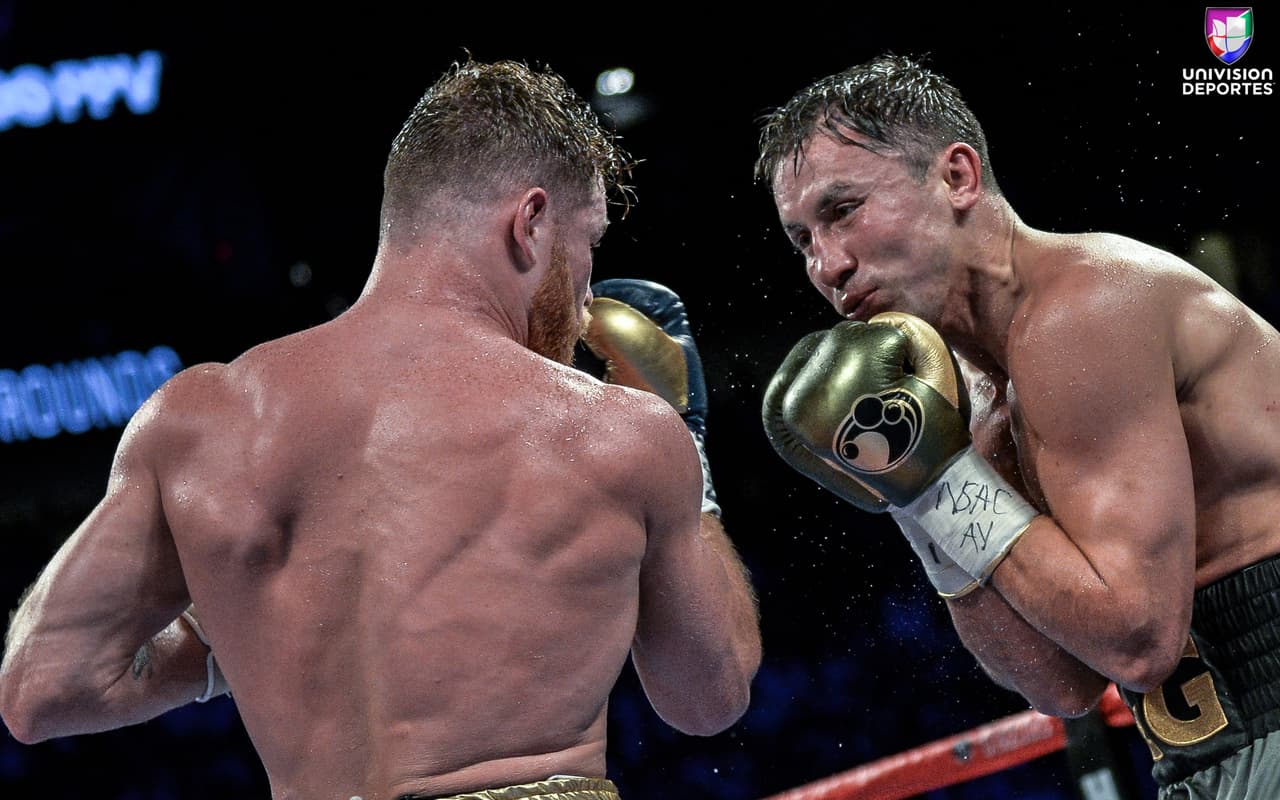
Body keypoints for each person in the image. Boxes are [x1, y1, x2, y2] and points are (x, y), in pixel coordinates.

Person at [0, 56, 761, 800]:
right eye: (587, 243)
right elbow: (709, 696)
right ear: (530, 224)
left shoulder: (201, 419)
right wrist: (688, 439)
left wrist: (237, 640)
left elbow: (44, 686)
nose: (589, 294)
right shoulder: (611, 431)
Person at [755, 53, 1280, 799]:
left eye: (844, 211)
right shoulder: (970, 397)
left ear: (958, 177)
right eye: (801, 240)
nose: (827, 265)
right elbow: (1060, 683)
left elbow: (1137, 641)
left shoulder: (1085, 309)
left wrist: (938, 478)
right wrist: (914, 490)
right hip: (1203, 753)